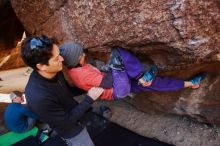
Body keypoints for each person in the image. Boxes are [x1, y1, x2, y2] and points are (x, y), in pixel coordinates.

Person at [20, 35, 104, 146]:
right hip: (71, 131)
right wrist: (89, 99)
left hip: (77, 115)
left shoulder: (55, 70)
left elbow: (64, 91)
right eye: (56, 58)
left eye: (59, 54)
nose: (62, 59)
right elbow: (66, 122)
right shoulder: (38, 97)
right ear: (41, 66)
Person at [59, 42, 207, 100]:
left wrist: (107, 68)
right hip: (117, 89)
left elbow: (101, 75)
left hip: (116, 86)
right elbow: (109, 81)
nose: (83, 54)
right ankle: (143, 75)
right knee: (118, 54)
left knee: (153, 84)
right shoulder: (81, 74)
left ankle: (191, 83)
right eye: (80, 54)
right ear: (74, 60)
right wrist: (112, 67)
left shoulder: (77, 67)